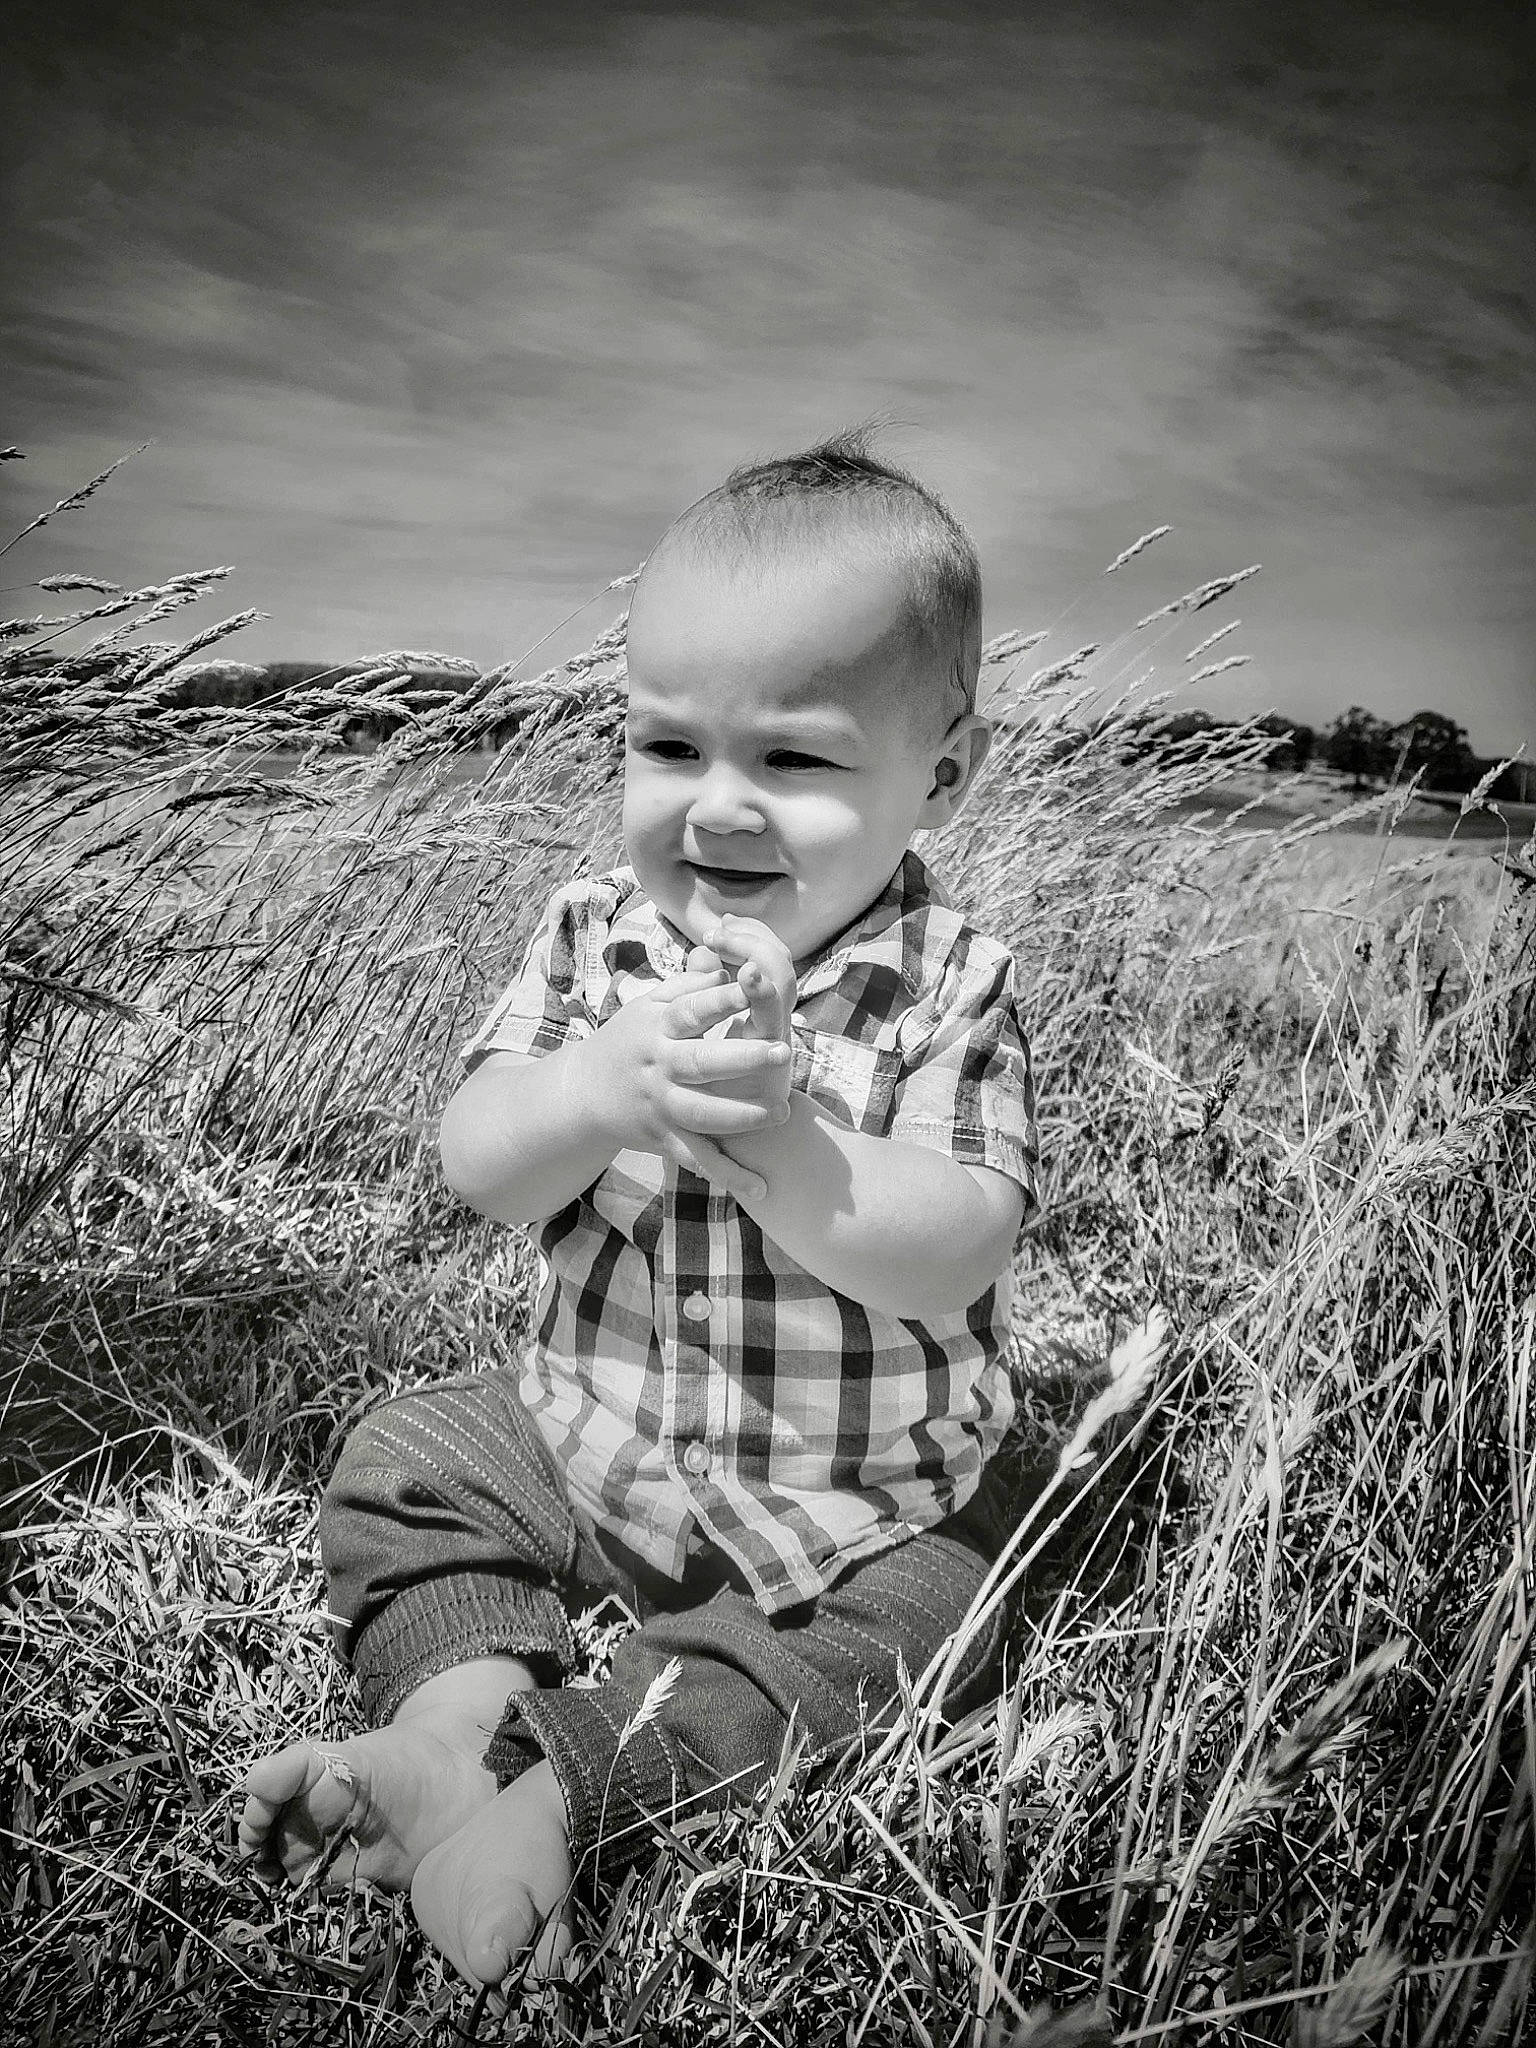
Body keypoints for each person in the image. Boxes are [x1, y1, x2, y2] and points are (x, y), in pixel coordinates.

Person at [237, 427, 1039, 1993]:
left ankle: (577, 1787)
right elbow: (479, 1157)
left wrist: (801, 1162)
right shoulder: (592, 944)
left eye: (795, 760)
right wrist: (594, 1094)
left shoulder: (950, 986)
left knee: (933, 1620)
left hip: (850, 1504)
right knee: (408, 1453)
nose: (719, 811)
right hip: (586, 1441)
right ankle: (449, 1722)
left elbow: (969, 1232)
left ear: (941, 774)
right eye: (670, 748)